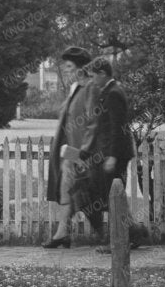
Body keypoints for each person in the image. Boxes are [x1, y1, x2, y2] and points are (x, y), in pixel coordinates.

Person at [42, 47, 138, 248]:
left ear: (80, 68)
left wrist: (84, 153)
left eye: (69, 66)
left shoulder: (91, 89)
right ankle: (63, 233)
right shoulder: (76, 88)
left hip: (84, 153)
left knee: (89, 195)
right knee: (69, 190)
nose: (65, 70)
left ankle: (125, 233)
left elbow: (94, 123)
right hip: (72, 151)